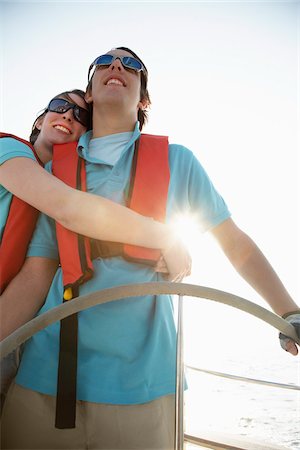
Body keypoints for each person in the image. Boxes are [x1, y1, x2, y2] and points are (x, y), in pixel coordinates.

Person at [1, 48, 299, 450]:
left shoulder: (180, 161)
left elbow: (235, 244)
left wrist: (288, 312)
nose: (116, 67)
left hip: (144, 381)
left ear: (143, 99)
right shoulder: (55, 172)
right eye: (104, 63)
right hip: (47, 374)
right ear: (88, 93)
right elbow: (37, 273)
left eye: (131, 66)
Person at [0, 89, 190, 413]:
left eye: (80, 116)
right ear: (39, 119)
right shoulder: (7, 150)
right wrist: (165, 237)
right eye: (60, 107)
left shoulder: (62, 189)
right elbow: (69, 207)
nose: (68, 117)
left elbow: (39, 272)